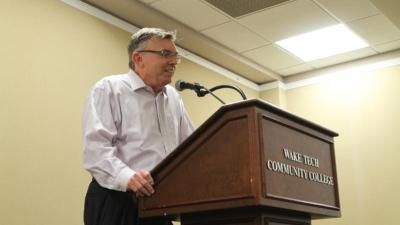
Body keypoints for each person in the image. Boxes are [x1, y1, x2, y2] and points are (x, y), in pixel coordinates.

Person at [82, 27, 194, 225]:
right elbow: (96, 152)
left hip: (160, 206)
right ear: (138, 58)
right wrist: (128, 177)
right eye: (165, 54)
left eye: (175, 55)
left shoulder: (174, 99)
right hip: (117, 201)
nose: (173, 62)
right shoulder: (109, 89)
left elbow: (191, 150)